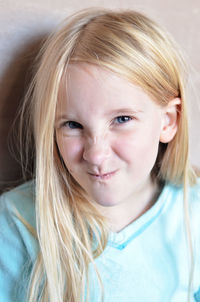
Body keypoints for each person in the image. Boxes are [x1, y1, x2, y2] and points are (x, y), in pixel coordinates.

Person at [0, 7, 200, 302]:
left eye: (121, 120)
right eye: (72, 125)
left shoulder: (191, 212)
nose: (95, 154)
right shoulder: (17, 223)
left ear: (168, 121)